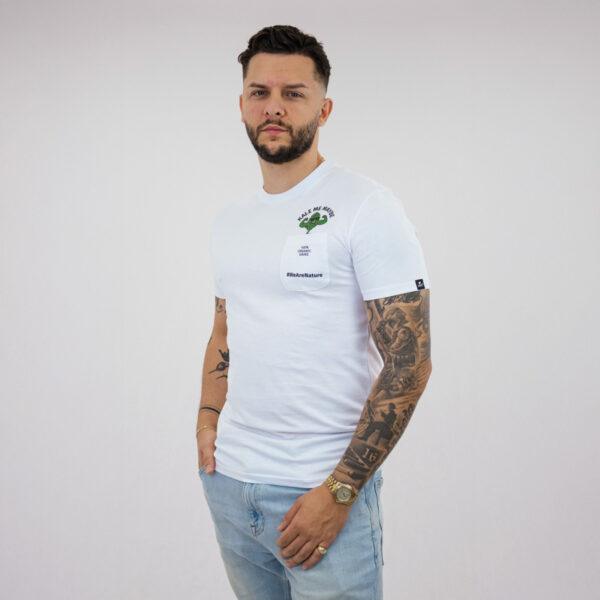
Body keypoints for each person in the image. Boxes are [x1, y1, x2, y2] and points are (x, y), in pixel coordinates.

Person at [196, 24, 432, 600]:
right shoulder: (230, 221)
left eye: (293, 93)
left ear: (323, 109)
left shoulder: (366, 206)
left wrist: (340, 491)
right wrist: (207, 420)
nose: (273, 107)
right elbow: (226, 328)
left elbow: (410, 363)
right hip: (231, 486)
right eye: (259, 92)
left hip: (322, 494)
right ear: (242, 105)